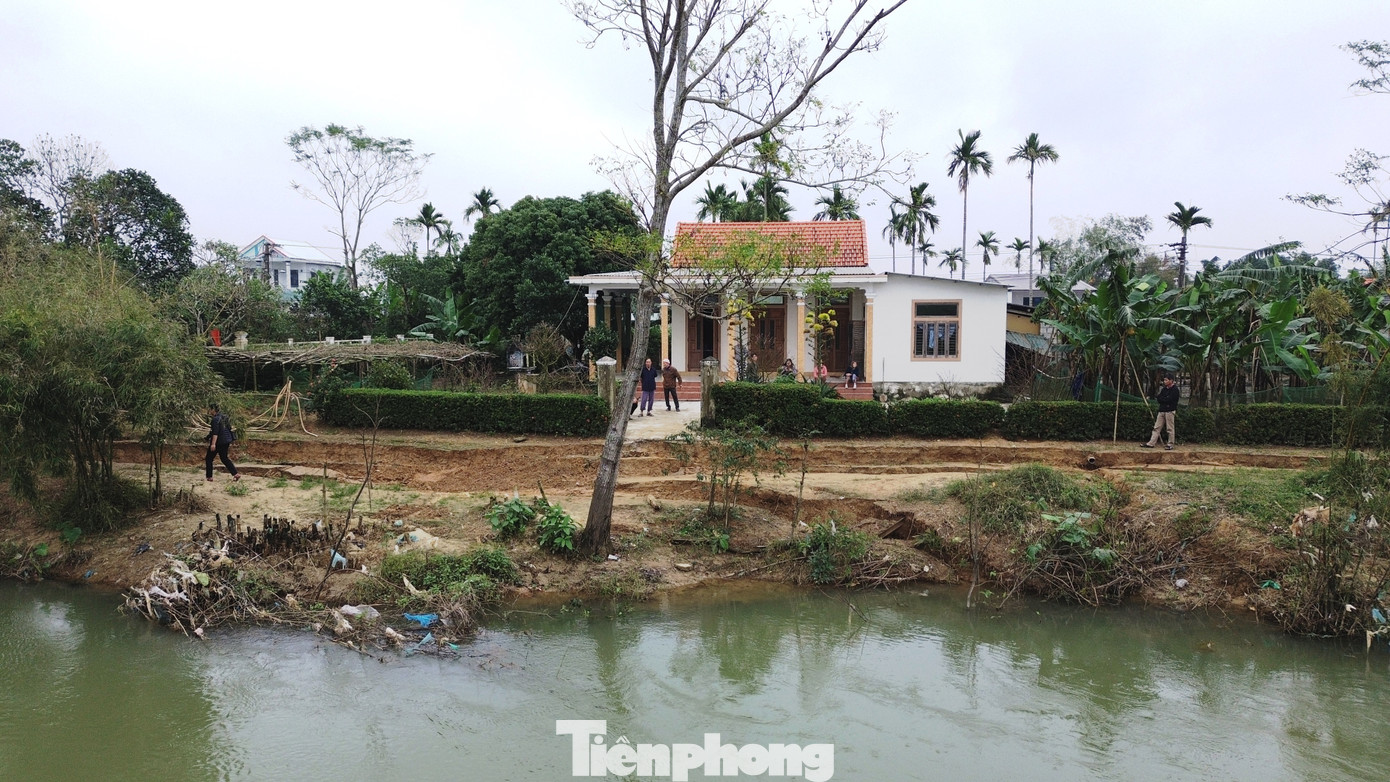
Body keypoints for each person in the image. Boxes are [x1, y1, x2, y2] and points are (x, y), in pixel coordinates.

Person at [1143, 375, 1180, 450]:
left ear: (1171, 380)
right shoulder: (1164, 389)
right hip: (1162, 410)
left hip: (1170, 410)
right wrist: (1164, 399)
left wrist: (1163, 400)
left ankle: (1170, 444)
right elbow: (1159, 398)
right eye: (1164, 380)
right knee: (1156, 427)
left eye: (1166, 380)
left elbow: (1170, 400)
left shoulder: (1175, 390)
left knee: (1170, 428)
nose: (1164, 381)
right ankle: (1151, 443)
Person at [205, 403, 240, 482]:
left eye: (210, 409)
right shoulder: (224, 417)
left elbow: (215, 433)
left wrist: (213, 444)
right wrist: (207, 437)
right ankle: (235, 474)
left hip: (218, 442)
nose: (209, 411)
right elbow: (228, 428)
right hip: (226, 440)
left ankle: (209, 477)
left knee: (209, 459)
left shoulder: (215, 420)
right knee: (224, 458)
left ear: (213, 410)